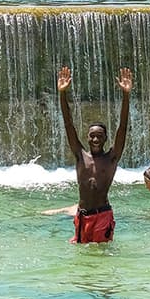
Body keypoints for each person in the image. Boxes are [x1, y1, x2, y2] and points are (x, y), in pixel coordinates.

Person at [58, 64, 132, 244]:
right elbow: (69, 125)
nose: (96, 140)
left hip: (102, 215)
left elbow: (122, 127)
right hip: (82, 216)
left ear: (106, 138)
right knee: (82, 258)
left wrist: (126, 95)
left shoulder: (111, 158)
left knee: (101, 256)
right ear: (88, 138)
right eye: (93, 136)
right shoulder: (80, 156)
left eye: (100, 136)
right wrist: (62, 94)